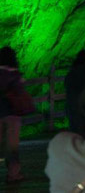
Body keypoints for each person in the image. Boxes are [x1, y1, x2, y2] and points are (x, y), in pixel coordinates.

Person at [0, 47, 26, 183]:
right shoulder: (15, 74)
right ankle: (13, 174)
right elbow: (20, 92)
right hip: (12, 114)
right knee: (12, 147)